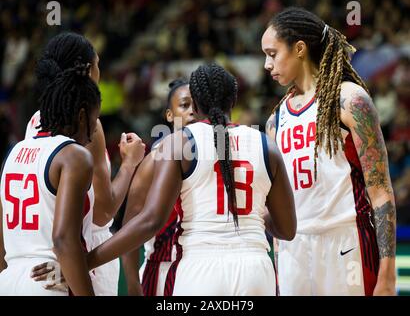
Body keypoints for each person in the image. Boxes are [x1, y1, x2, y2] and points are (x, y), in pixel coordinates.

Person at [81, 63, 296, 295]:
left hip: (201, 270)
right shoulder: (267, 145)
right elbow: (287, 229)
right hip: (256, 269)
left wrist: (86, 262)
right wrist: (252, 217)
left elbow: (150, 221)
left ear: (194, 103)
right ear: (234, 101)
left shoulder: (179, 143)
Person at [262, 7, 396, 295]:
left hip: (346, 242)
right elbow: (276, 203)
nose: (266, 64)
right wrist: (276, 264)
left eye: (272, 54)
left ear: (299, 49)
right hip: (292, 249)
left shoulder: (349, 100)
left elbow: (381, 190)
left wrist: (387, 273)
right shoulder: (275, 120)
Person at [25, 32, 145, 295]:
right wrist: (129, 164)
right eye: (99, 64)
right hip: (83, 253)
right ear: (90, 71)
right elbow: (103, 213)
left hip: (35, 255)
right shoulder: (86, 120)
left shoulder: (34, 122)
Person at [0, 63, 99, 296]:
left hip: (7, 279)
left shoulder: (13, 152)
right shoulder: (75, 155)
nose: (94, 132)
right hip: (47, 281)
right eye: (95, 120)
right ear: (83, 116)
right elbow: (63, 240)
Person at [122, 79, 196, 296]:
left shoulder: (211, 155)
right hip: (162, 270)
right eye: (184, 105)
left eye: (197, 105)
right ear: (169, 115)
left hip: (201, 268)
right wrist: (133, 285)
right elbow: (129, 227)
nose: (192, 111)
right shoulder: (156, 159)